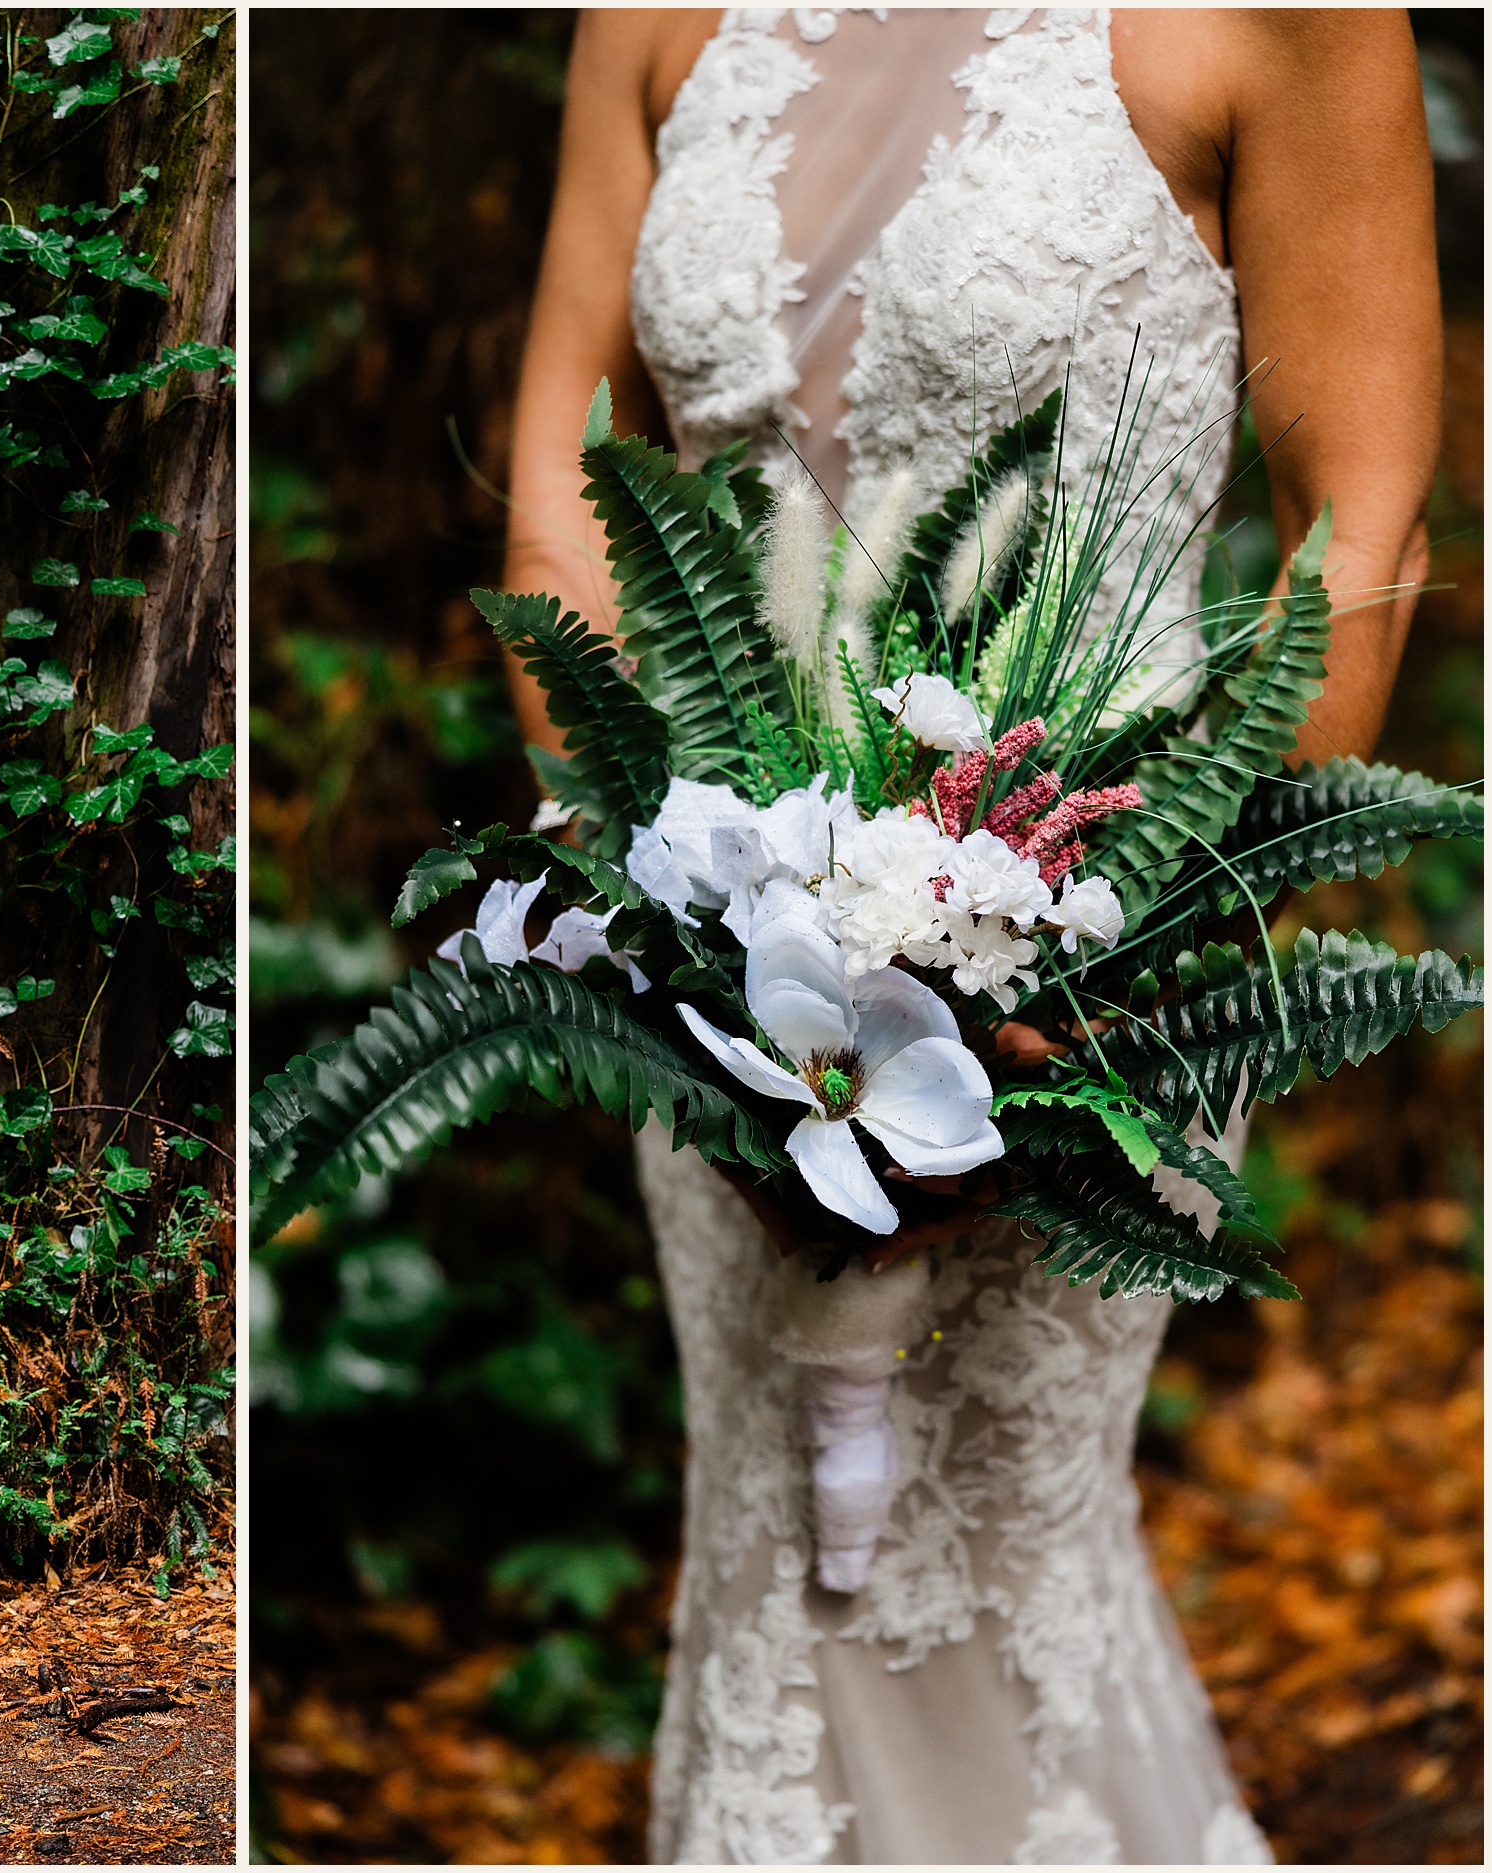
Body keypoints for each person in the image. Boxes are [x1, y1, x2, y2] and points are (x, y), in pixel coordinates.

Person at [497, 10, 1438, 1864]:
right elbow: (560, 469)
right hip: (730, 986)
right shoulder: (656, 16)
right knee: (773, 1548)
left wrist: (1134, 979)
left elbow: (1365, 519)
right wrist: (661, 934)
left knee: (993, 1547)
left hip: (1095, 968)